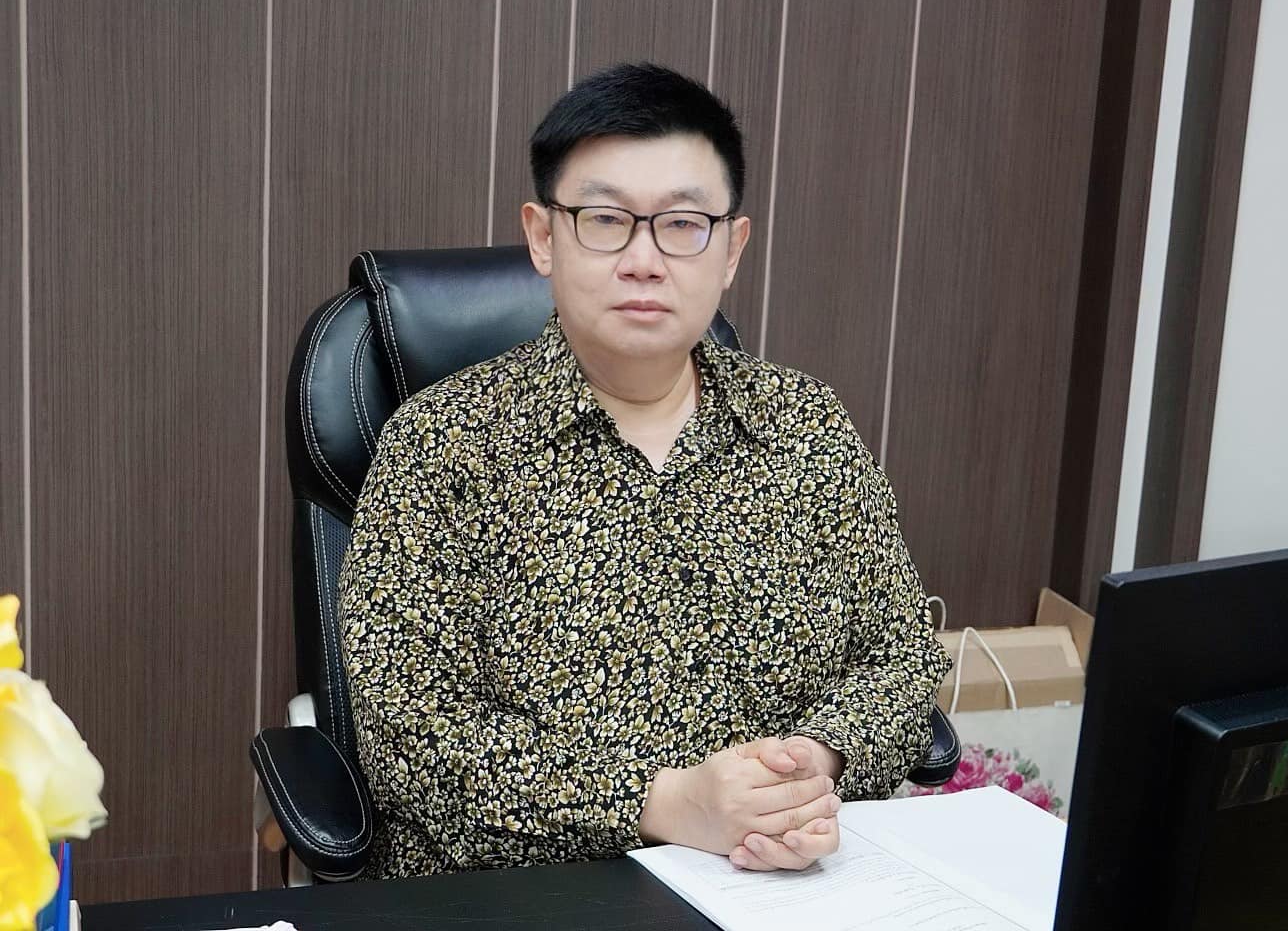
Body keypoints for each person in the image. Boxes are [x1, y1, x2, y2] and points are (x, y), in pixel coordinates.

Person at [339, 62, 951, 879]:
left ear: (731, 249)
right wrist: (664, 804)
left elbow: (902, 653)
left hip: (782, 883)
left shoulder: (804, 424)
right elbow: (410, 737)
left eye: (683, 225)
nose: (644, 260)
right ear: (542, 237)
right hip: (525, 896)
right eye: (605, 220)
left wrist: (813, 765)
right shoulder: (443, 446)